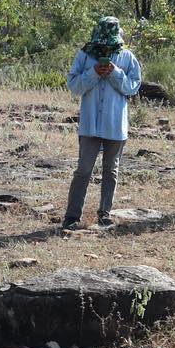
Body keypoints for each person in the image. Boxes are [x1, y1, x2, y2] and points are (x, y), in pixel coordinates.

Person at [63, 16, 142, 229]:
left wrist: (115, 73)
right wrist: (94, 73)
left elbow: (133, 87)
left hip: (115, 124)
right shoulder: (85, 55)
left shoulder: (126, 57)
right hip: (89, 123)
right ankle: (72, 216)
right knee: (83, 170)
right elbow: (74, 85)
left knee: (111, 170)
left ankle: (104, 214)